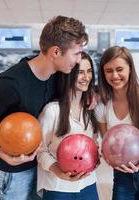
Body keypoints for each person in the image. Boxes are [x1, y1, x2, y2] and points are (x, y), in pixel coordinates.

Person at [0, 15, 88, 200]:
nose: (78, 60)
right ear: (55, 52)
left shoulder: (57, 76)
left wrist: (90, 96)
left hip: (40, 166)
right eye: (76, 53)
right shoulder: (10, 84)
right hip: (13, 174)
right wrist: (0, 152)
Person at [95, 46, 139, 200]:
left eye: (120, 69)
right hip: (122, 174)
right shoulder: (102, 106)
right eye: (108, 71)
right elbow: (107, 143)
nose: (115, 75)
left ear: (130, 69)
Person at [37, 51, 99, 200]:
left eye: (89, 71)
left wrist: (96, 157)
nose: (86, 77)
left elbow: (94, 143)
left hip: (88, 184)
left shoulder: (91, 109)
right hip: (58, 187)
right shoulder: (52, 111)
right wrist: (57, 170)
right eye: (80, 72)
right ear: (69, 74)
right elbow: (40, 150)